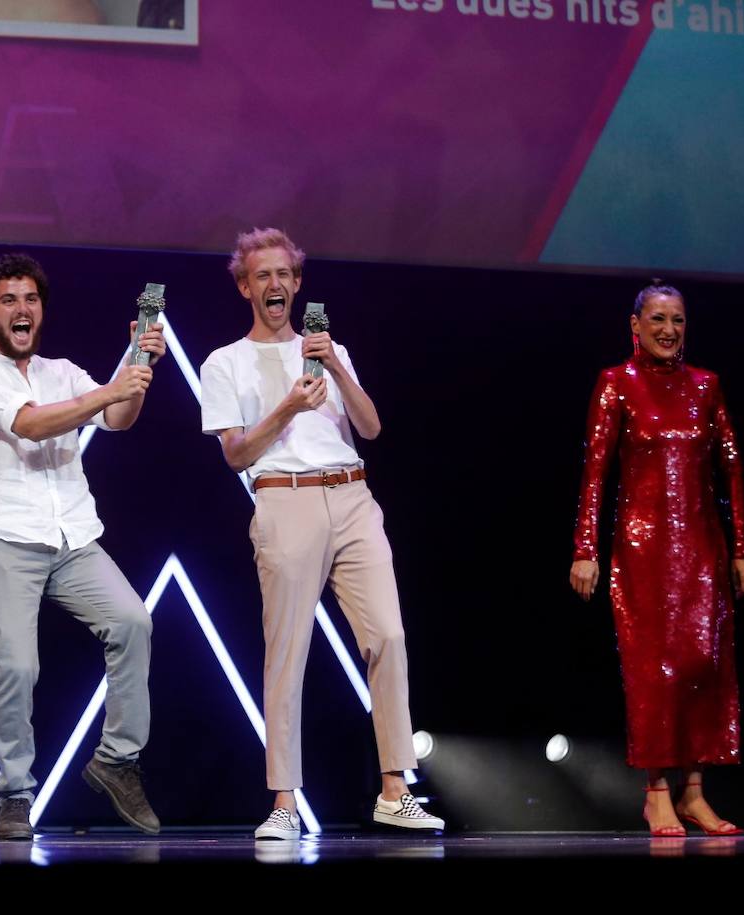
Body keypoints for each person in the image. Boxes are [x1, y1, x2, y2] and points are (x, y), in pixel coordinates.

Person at [199, 228, 443, 839]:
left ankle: (395, 789)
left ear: (297, 282)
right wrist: (287, 407)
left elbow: (371, 425)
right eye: (262, 276)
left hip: (353, 494)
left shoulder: (330, 349)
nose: (274, 284)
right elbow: (234, 454)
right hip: (285, 501)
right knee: (287, 654)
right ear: (244, 286)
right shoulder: (224, 362)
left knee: (388, 633)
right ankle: (283, 804)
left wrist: (333, 363)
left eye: (284, 274)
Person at [0, 253, 164, 839]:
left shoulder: (63, 371)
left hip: (73, 537)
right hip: (2, 541)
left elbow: (117, 417)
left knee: (132, 622)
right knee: (17, 664)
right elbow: (32, 424)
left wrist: (138, 365)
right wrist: (112, 389)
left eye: (31, 299)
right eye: (10, 300)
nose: (23, 310)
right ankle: (15, 793)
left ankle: (117, 760)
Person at [570, 281, 744, 837]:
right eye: (657, 320)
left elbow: (732, 470)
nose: (668, 330)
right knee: (656, 672)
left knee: (703, 666)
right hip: (642, 549)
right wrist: (585, 548)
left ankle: (695, 792)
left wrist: (742, 546)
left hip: (701, 548)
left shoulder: (706, 386)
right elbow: (596, 472)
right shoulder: (615, 384)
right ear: (635, 325)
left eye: (677, 320)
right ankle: (656, 794)